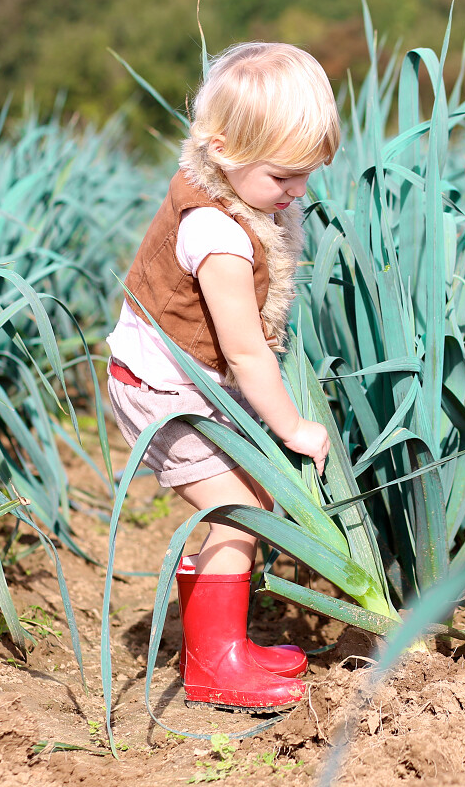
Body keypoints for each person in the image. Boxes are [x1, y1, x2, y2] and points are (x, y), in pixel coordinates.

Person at [105, 42, 338, 713]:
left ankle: (216, 639)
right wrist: (293, 425)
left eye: (307, 175)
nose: (298, 192)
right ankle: (215, 665)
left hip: (181, 379)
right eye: (283, 177)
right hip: (161, 393)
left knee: (246, 501)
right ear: (224, 148)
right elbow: (245, 353)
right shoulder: (219, 236)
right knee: (241, 510)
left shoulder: (236, 195)